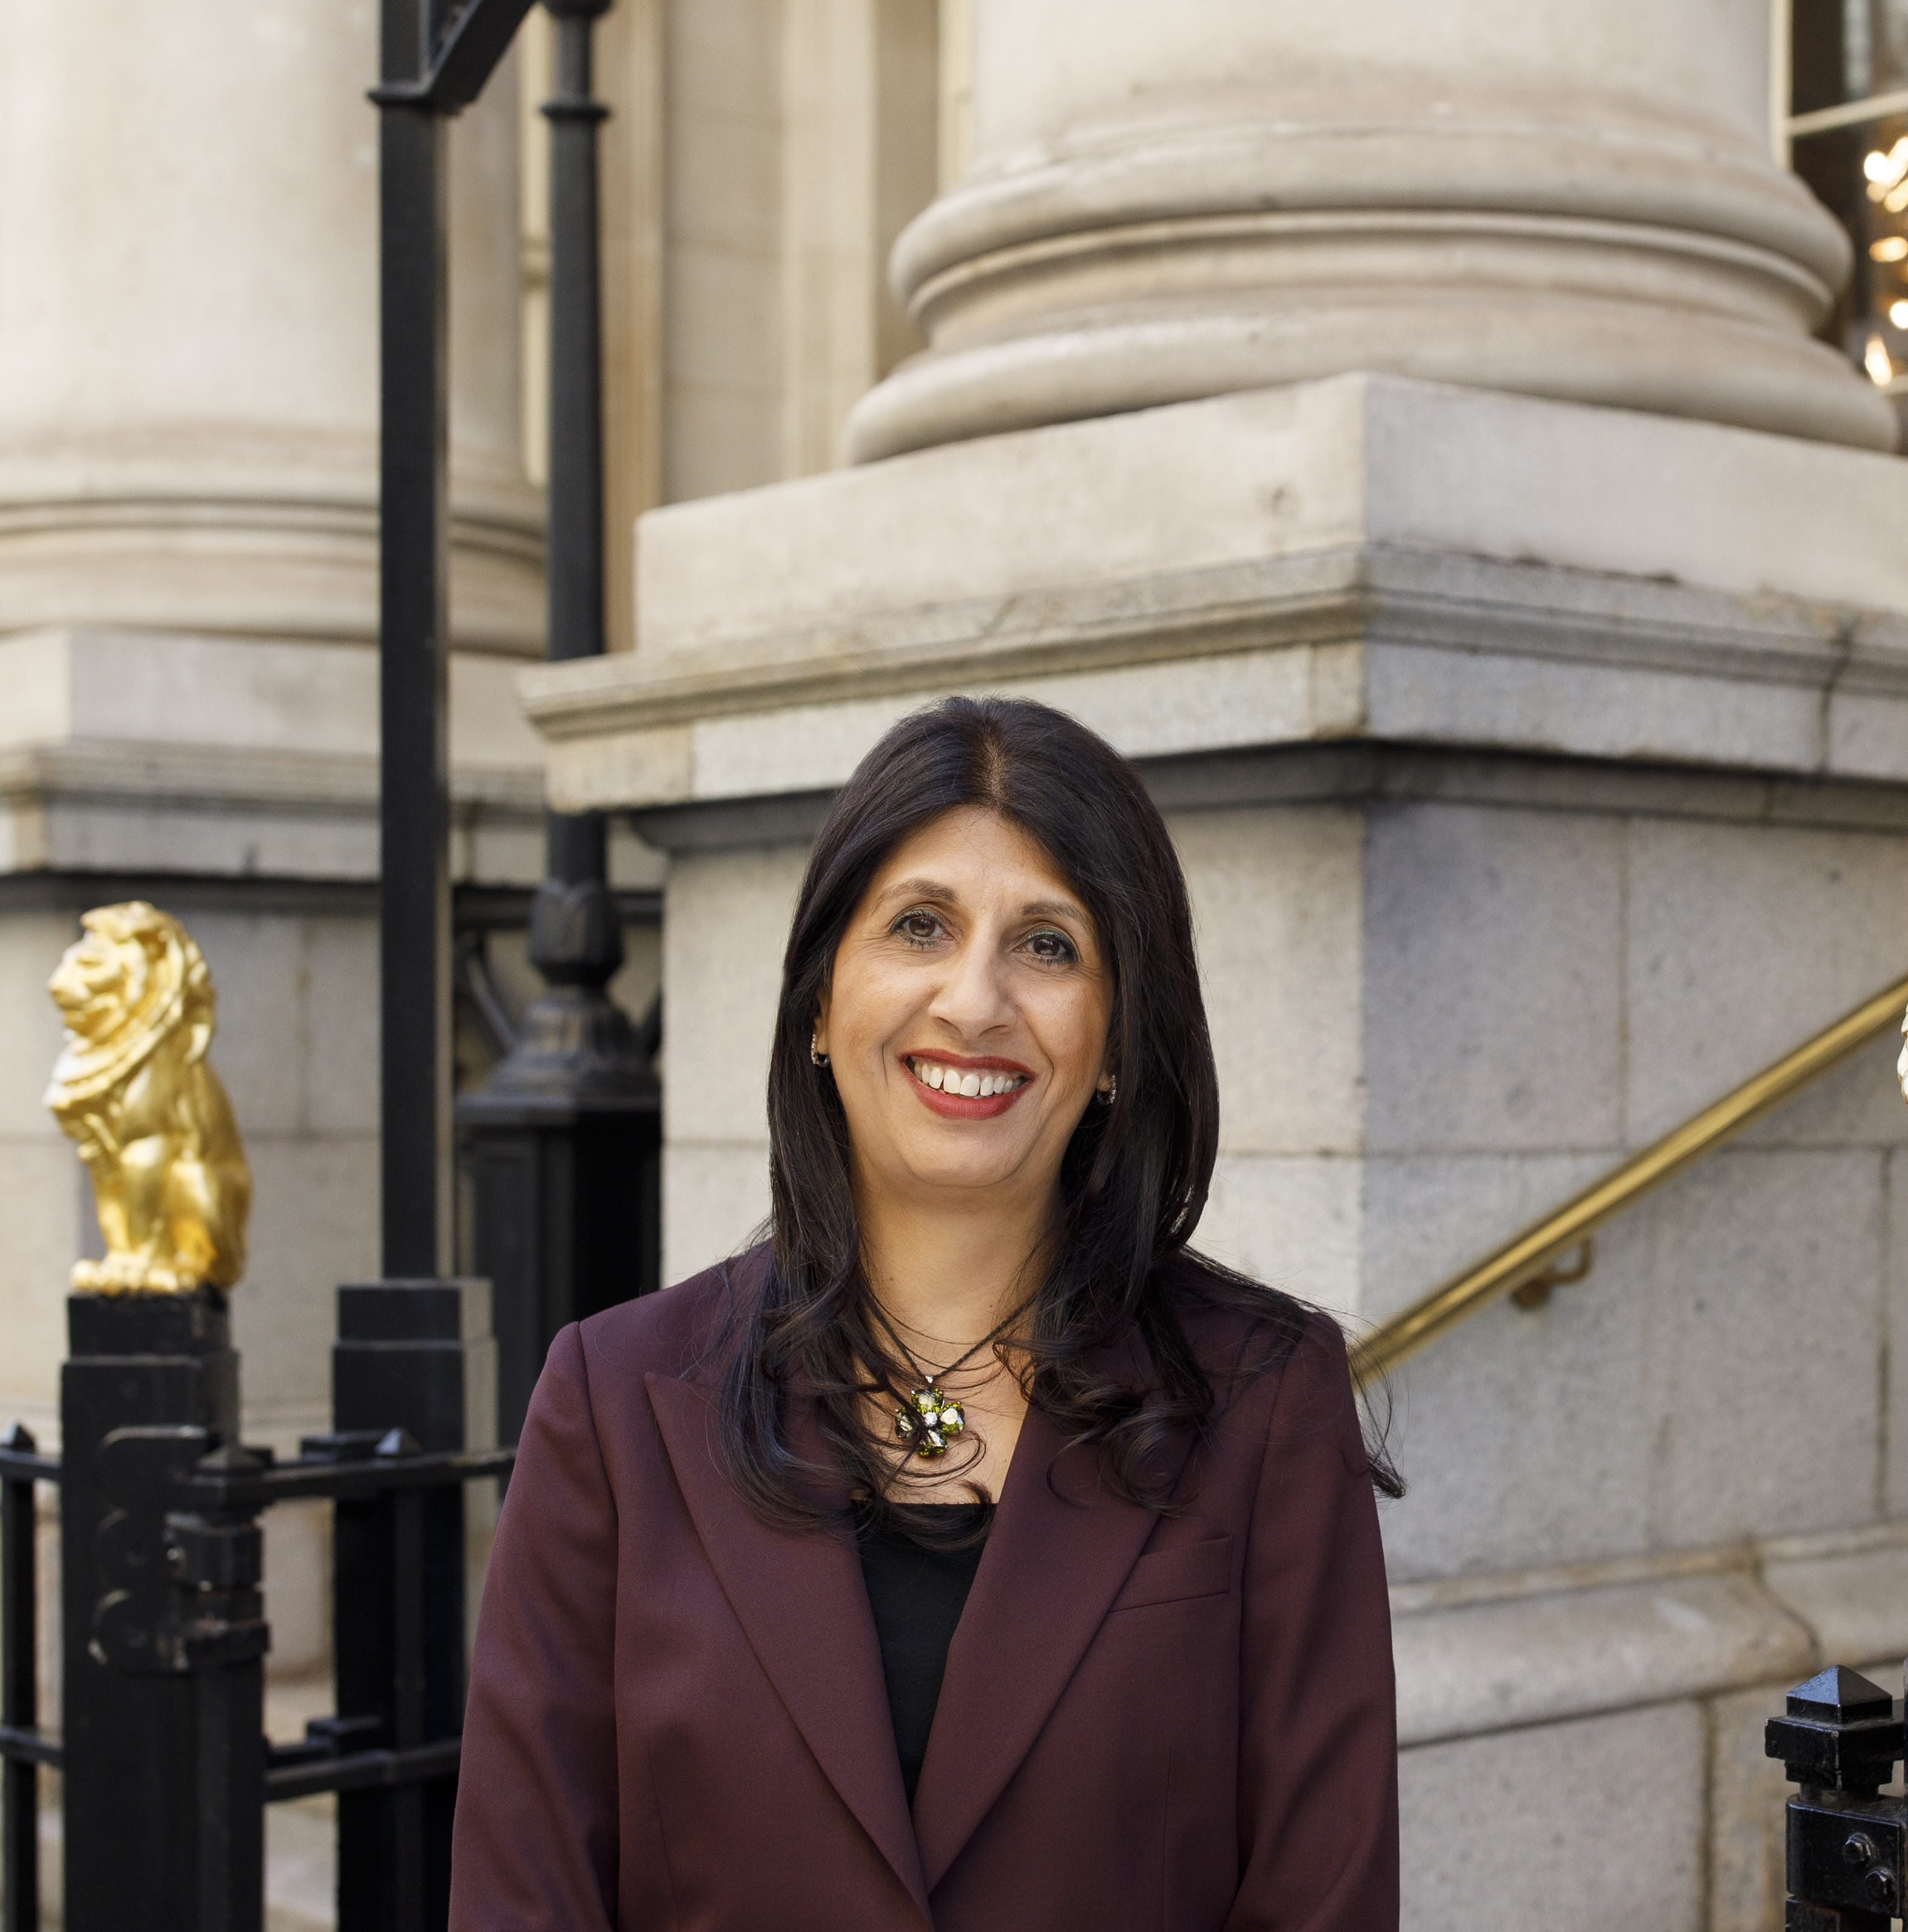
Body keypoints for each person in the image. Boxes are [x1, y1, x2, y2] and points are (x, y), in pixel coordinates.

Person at [452, 692, 1400, 1931]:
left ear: (1117, 1038)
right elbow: (527, 1899)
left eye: (1049, 945)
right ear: (817, 1008)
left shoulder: (1265, 1401)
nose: (974, 1001)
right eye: (919, 927)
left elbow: (1321, 1899)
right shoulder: (613, 1403)